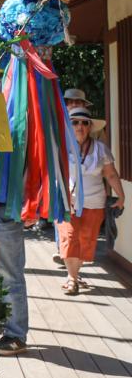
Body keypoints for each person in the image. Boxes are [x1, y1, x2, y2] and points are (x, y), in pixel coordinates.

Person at [58, 106, 126, 295]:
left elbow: (111, 175)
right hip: (67, 202)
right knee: (70, 238)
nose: (80, 126)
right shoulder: (61, 147)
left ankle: (74, 273)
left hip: (94, 202)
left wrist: (121, 196)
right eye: (75, 122)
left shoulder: (100, 149)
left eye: (84, 123)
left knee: (86, 241)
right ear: (69, 126)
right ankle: (72, 278)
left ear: (90, 127)